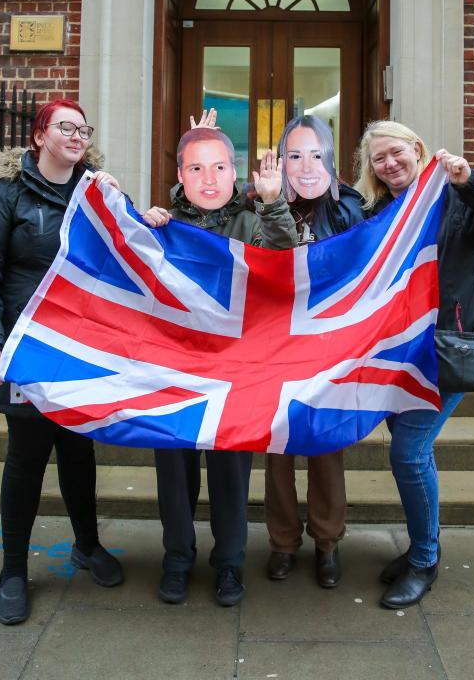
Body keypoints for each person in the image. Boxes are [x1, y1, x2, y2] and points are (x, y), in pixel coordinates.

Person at [354, 119, 474, 609]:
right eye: (379, 159)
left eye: (396, 152)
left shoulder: (458, 197)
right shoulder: (376, 212)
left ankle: (425, 559)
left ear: (417, 148)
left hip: (446, 346)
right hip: (395, 352)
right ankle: (421, 544)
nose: (390, 164)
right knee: (412, 451)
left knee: (409, 452)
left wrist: (471, 180)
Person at [0, 99, 124, 626]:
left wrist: (148, 216)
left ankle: (86, 545)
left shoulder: (96, 191)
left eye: (83, 128)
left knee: (80, 451)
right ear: (39, 136)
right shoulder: (5, 194)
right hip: (24, 348)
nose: (77, 135)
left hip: (80, 348)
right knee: (27, 457)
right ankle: (12, 571)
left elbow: (128, 256)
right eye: (65, 127)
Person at [143, 126, 296, 607]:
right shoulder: (160, 224)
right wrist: (135, 224)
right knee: (174, 469)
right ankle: (177, 557)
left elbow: (288, 262)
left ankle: (230, 563)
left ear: (235, 172)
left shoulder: (254, 223)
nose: (209, 179)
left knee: (231, 472)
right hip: (174, 371)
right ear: (180, 175)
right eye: (196, 168)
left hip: (236, 372)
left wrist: (272, 204)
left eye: (219, 167)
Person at [264, 114, 365, 589]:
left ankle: (328, 542)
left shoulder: (349, 208)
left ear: (330, 158)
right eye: (294, 155)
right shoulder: (260, 203)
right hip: (274, 346)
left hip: (328, 349)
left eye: (316, 155)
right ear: (281, 161)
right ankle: (283, 542)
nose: (305, 165)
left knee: (326, 448)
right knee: (278, 451)